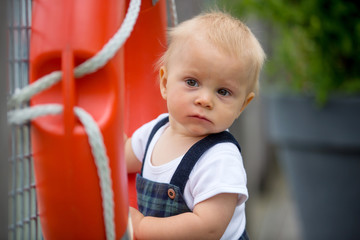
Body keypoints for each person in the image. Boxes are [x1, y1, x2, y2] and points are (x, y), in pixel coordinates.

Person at [125, 10, 265, 239]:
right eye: (192, 82)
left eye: (223, 92)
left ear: (242, 105)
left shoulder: (220, 159)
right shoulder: (155, 132)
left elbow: (208, 228)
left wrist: (141, 227)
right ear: (165, 83)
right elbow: (121, 156)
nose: (205, 100)